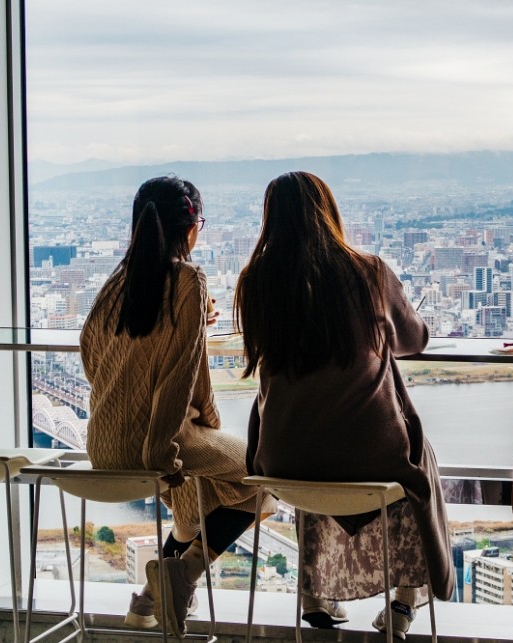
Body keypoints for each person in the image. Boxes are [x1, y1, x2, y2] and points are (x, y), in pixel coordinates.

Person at [236, 171, 455, 639]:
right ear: (329, 214)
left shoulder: (255, 282)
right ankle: (404, 599)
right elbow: (413, 339)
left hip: (281, 462)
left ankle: (315, 594)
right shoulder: (368, 271)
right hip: (371, 457)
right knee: (414, 459)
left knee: (313, 444)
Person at [80, 176, 275, 637]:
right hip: (160, 442)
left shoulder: (115, 283)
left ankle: (148, 599)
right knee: (267, 480)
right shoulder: (189, 280)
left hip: (102, 444)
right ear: (191, 228)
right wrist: (169, 449)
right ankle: (182, 576)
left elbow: (91, 354)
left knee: (195, 504)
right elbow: (181, 382)